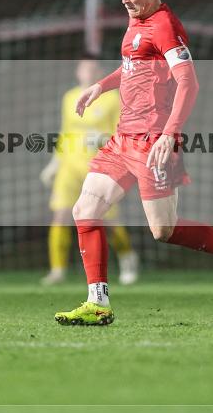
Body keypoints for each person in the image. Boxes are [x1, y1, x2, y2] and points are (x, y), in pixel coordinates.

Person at [54, 0, 213, 327]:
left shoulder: (165, 25)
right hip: (123, 138)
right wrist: (99, 86)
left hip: (153, 140)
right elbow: (131, 67)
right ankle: (97, 302)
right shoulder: (136, 21)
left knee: (162, 231)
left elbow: (189, 82)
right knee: (84, 210)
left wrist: (169, 134)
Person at [39, 55, 139, 286]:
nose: (87, 72)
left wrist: (103, 138)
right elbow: (65, 132)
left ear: (100, 72)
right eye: (84, 68)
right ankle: (57, 270)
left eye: (92, 68)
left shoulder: (113, 99)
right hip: (70, 166)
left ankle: (127, 258)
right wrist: (54, 163)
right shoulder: (69, 97)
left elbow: (122, 132)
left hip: (100, 167)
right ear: (78, 72)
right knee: (61, 216)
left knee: (107, 220)